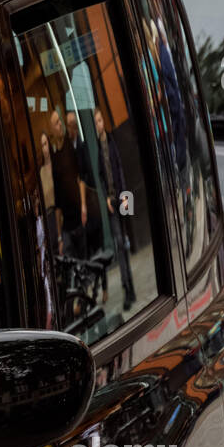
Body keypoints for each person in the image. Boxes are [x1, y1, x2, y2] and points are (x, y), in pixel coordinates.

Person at [95, 111, 136, 312]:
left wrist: (126, 198)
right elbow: (101, 178)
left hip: (123, 197)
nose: (98, 125)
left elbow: (119, 169)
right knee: (119, 244)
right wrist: (105, 200)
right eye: (95, 122)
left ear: (104, 121)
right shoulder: (97, 149)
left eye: (100, 120)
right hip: (111, 202)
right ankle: (127, 288)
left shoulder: (111, 142)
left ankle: (131, 287)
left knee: (125, 243)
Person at [48, 109, 86, 259]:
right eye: (56, 123)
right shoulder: (55, 158)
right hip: (66, 224)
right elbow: (57, 199)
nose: (60, 125)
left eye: (60, 121)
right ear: (52, 128)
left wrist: (83, 206)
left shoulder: (71, 146)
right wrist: (59, 236)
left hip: (78, 214)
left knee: (85, 262)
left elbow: (80, 177)